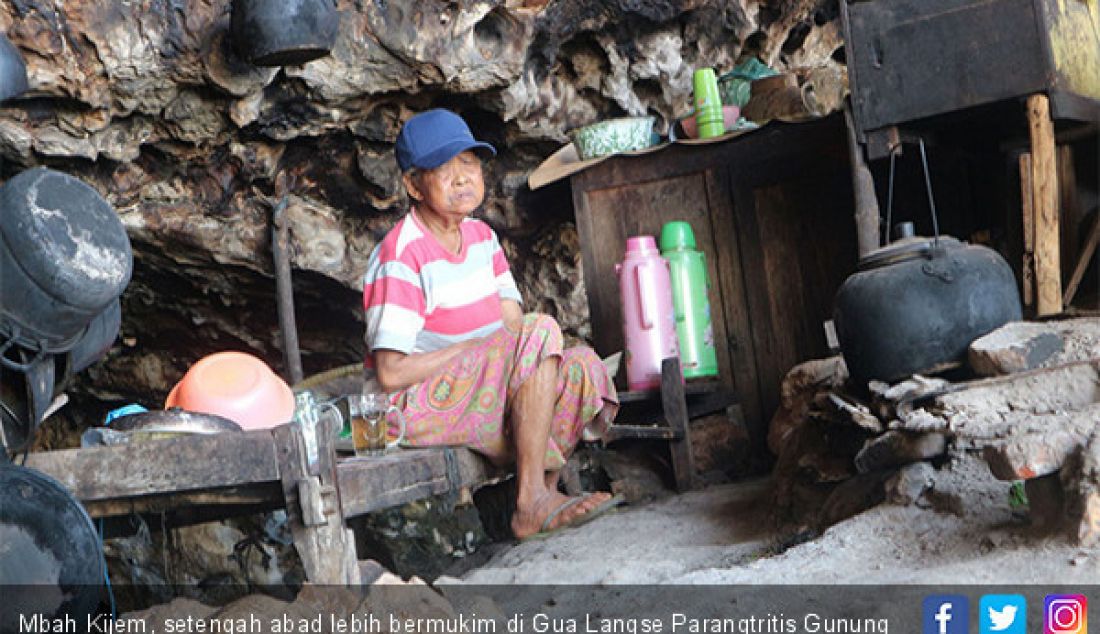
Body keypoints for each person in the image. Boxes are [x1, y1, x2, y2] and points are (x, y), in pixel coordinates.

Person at [361, 109, 622, 540]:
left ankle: (544, 492)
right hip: (413, 406)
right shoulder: (402, 254)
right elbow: (390, 374)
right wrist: (473, 352)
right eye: (444, 168)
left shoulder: (482, 239)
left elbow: (516, 333)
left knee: (581, 366)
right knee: (540, 334)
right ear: (412, 184)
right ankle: (530, 501)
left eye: (469, 163)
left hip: (477, 389)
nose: (463, 177)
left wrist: (499, 357)